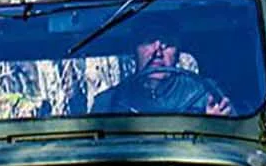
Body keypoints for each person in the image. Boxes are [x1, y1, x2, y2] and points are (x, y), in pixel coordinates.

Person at [92, 33, 234, 116]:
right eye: (148, 41)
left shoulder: (204, 95)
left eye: (168, 43)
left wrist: (215, 125)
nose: (157, 52)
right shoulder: (109, 103)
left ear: (177, 54)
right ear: (135, 52)